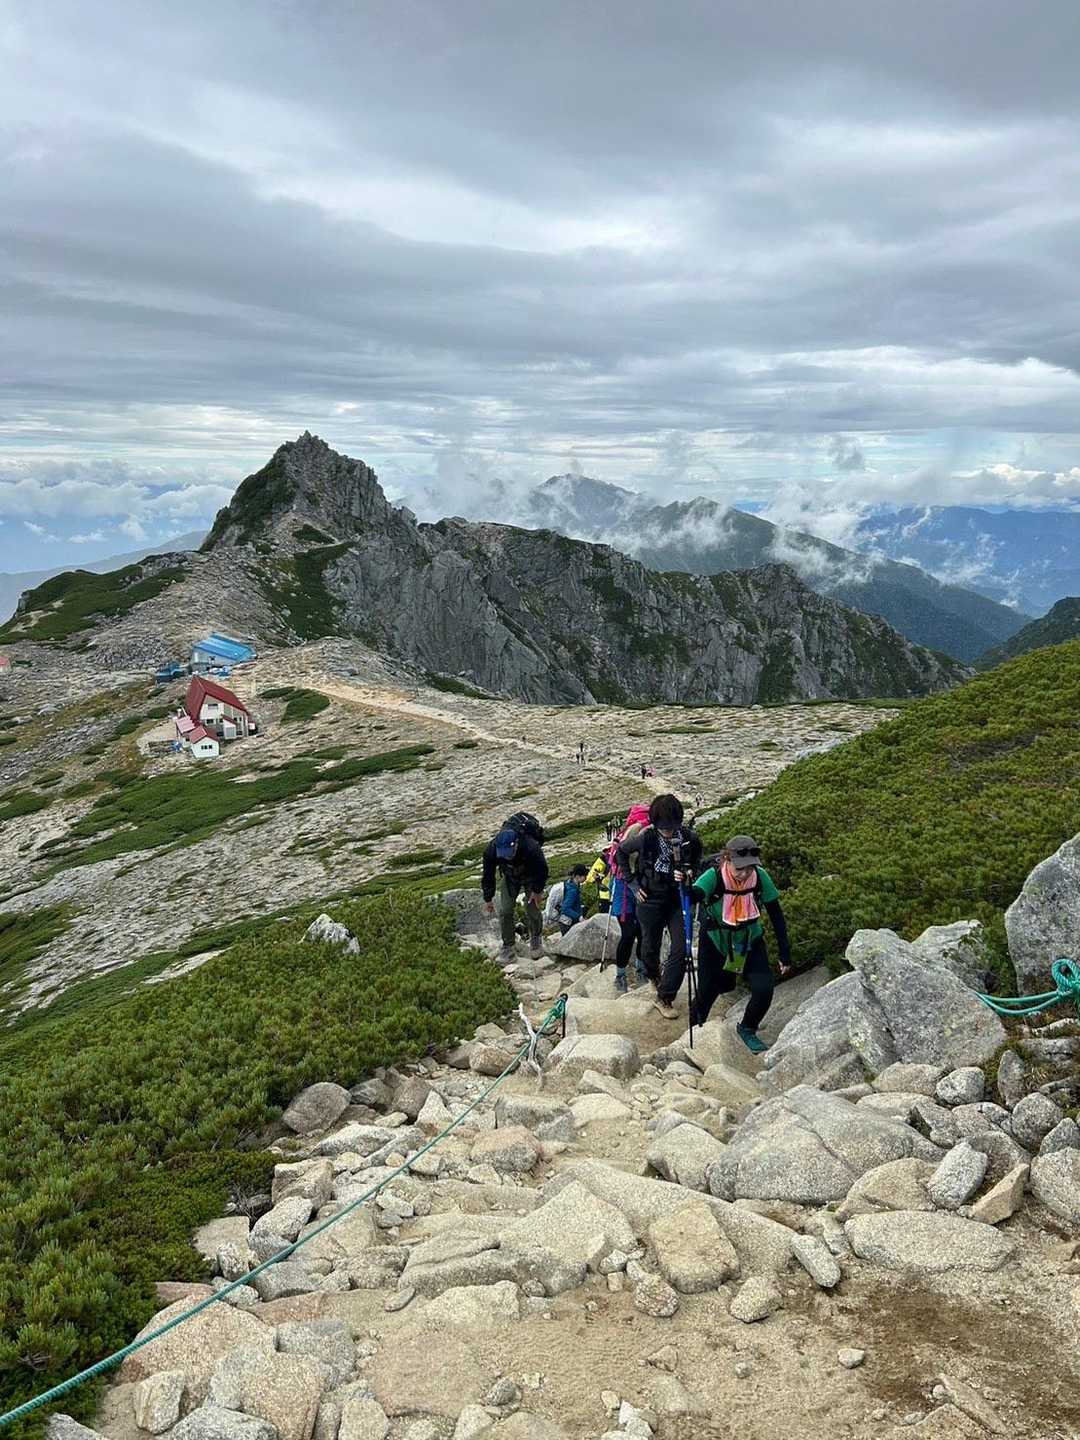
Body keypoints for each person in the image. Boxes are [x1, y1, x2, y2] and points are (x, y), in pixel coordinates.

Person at [690, 834, 793, 1053]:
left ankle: (747, 1028)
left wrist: (784, 952)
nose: (745, 873)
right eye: (740, 868)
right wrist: (684, 886)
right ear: (727, 860)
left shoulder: (760, 877)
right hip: (716, 941)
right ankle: (694, 1031)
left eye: (749, 868)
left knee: (764, 989)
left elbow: (776, 914)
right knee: (708, 991)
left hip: (749, 939)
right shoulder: (713, 876)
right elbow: (694, 895)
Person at [617, 794, 702, 1018]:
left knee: (681, 948)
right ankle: (654, 975)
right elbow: (621, 853)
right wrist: (633, 884)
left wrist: (690, 871)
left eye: (672, 827)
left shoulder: (689, 838)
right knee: (649, 947)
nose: (668, 832)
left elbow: (697, 859)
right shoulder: (645, 839)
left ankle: (665, 997)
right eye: (664, 828)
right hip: (650, 899)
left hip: (677, 899)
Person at [482, 821, 548, 961]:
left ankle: (536, 938)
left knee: (532, 908)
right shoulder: (491, 851)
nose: (506, 857)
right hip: (510, 877)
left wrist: (537, 891)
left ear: (516, 844)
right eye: (503, 854)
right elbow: (488, 874)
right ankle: (508, 946)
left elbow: (542, 869)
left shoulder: (531, 847)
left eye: (509, 853)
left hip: (531, 876)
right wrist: (488, 898)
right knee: (505, 910)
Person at [608, 802, 651, 993]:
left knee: (640, 932)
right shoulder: (634, 837)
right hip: (625, 889)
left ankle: (637, 971)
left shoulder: (628, 835)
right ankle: (622, 974)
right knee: (630, 933)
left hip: (633, 888)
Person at [558, 864, 589, 934]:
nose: (586, 878)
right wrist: (579, 917)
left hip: (567, 922)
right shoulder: (572, 890)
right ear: (577, 876)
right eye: (584, 876)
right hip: (568, 924)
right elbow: (565, 908)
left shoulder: (569, 883)